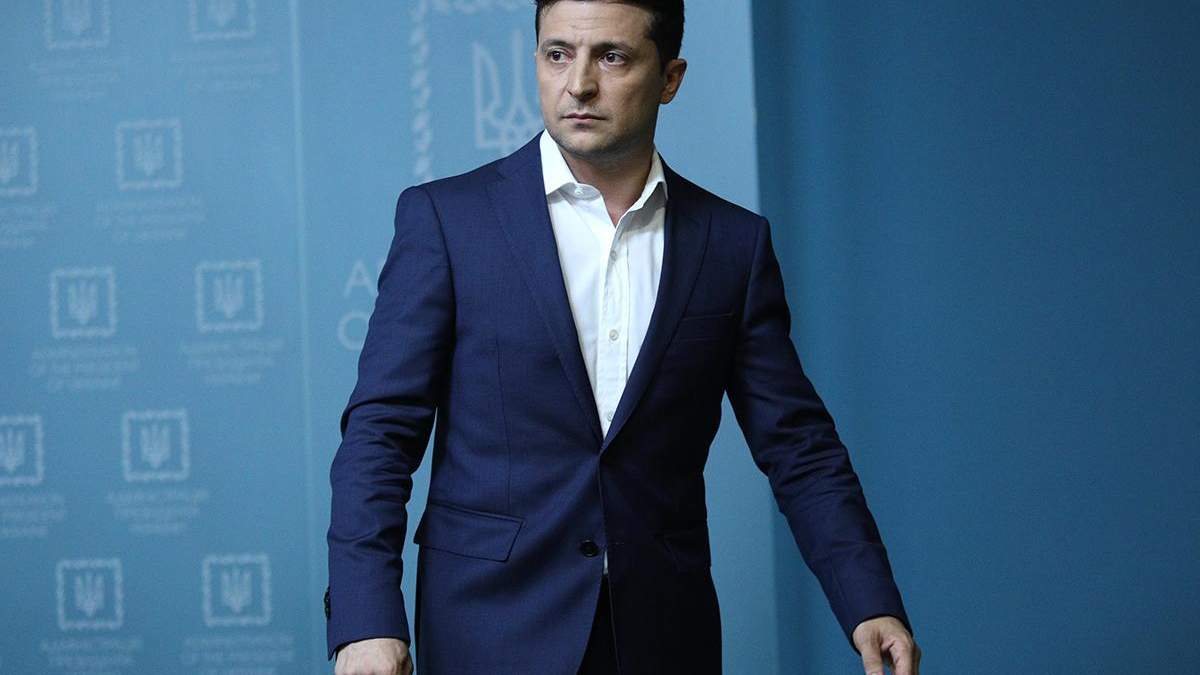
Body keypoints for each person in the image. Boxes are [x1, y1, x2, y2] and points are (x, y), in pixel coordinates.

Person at [325, 1, 921, 673]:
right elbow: (380, 432)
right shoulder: (447, 221)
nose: (579, 84)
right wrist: (365, 619)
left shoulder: (732, 245)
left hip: (664, 635)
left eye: (612, 57)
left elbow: (798, 446)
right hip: (488, 629)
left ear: (670, 78)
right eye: (557, 54)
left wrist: (868, 601)